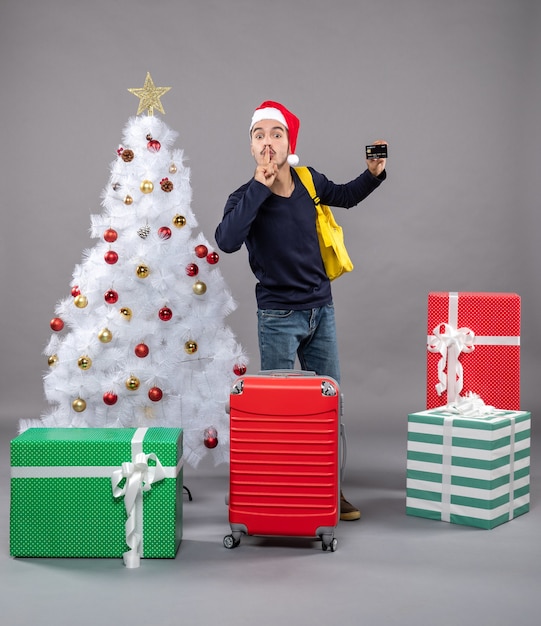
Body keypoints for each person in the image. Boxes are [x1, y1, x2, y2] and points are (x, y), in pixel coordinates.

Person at [215, 100, 387, 521]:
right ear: (252, 148)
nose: (268, 143)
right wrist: (259, 186)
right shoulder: (244, 197)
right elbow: (227, 240)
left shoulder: (310, 182)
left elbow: (346, 195)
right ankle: (269, 487)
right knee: (277, 412)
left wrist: (373, 175)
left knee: (330, 406)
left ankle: (330, 489)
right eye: (260, 136)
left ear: (289, 143)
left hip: (320, 311)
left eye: (276, 134)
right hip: (277, 317)